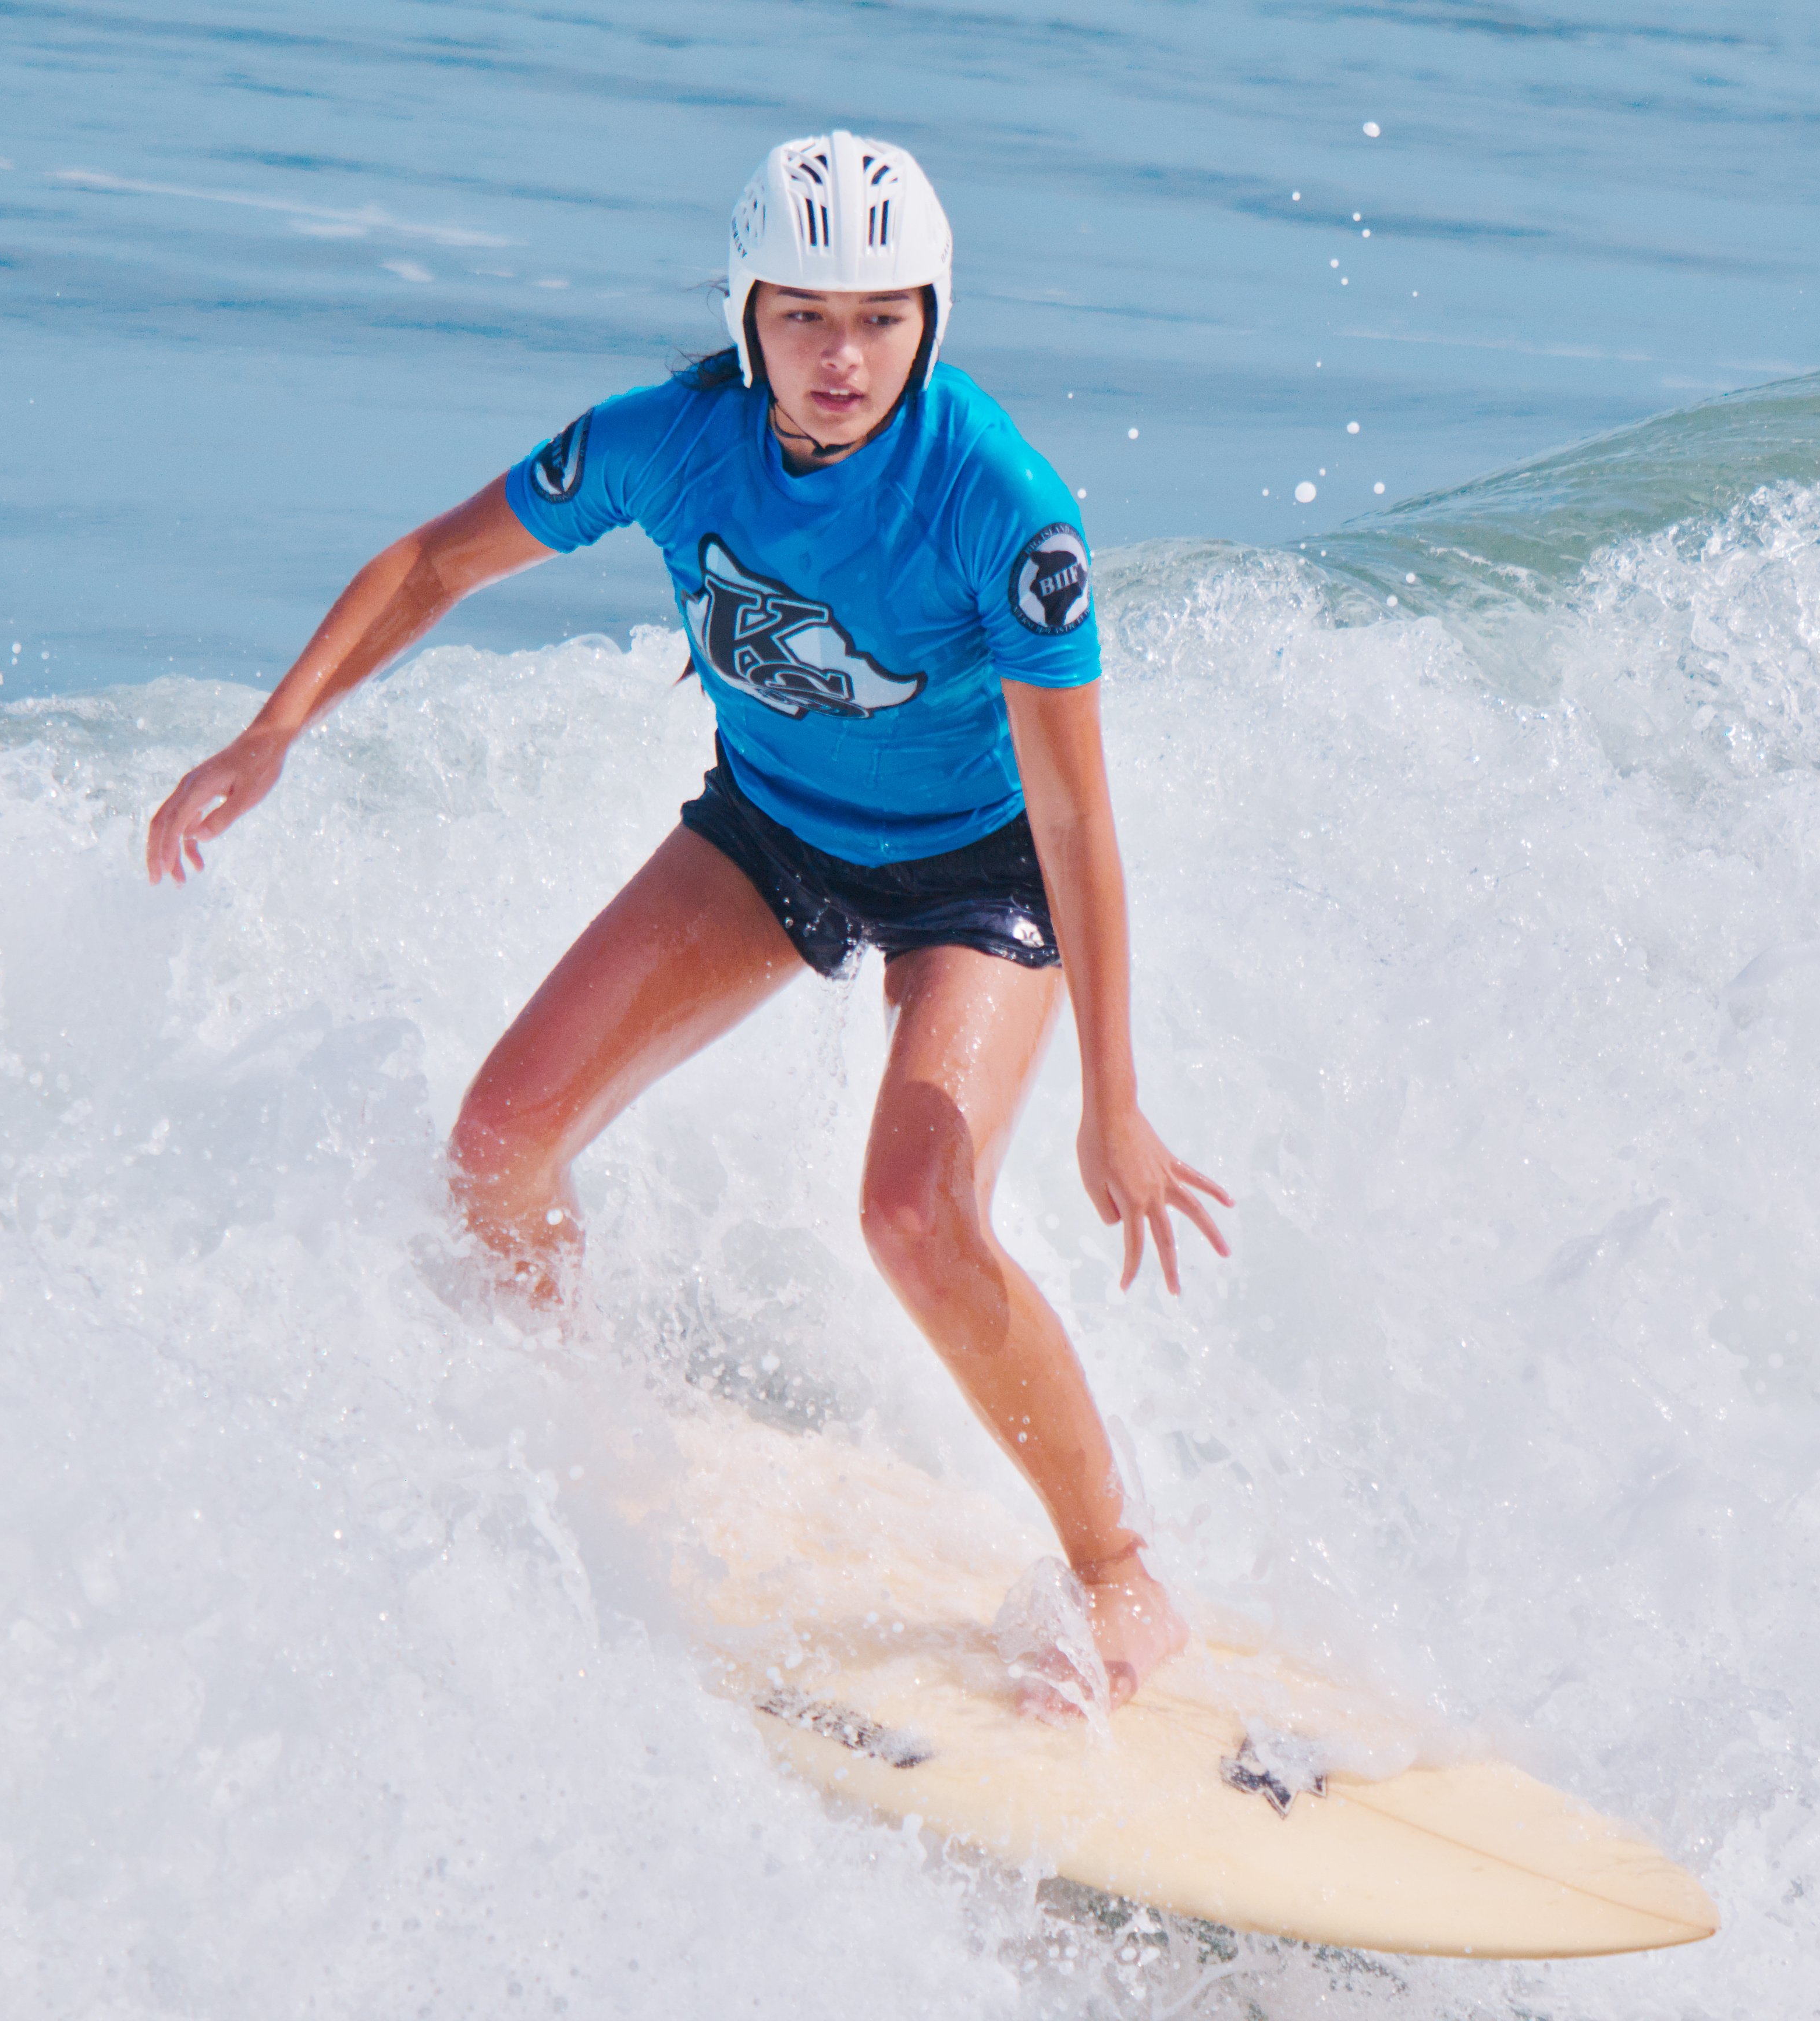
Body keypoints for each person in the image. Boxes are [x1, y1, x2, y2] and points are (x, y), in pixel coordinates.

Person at [145, 132, 1229, 1711]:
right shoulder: (667, 445)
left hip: (981, 876)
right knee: (498, 1146)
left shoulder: (1002, 506)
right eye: (804, 317)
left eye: (880, 318)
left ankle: (1120, 1573)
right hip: (773, 830)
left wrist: (1113, 1103)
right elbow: (437, 562)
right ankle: (576, 1422)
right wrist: (276, 729)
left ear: (932, 318)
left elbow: (1075, 823)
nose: (842, 357)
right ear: (747, 317)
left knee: (914, 1213)